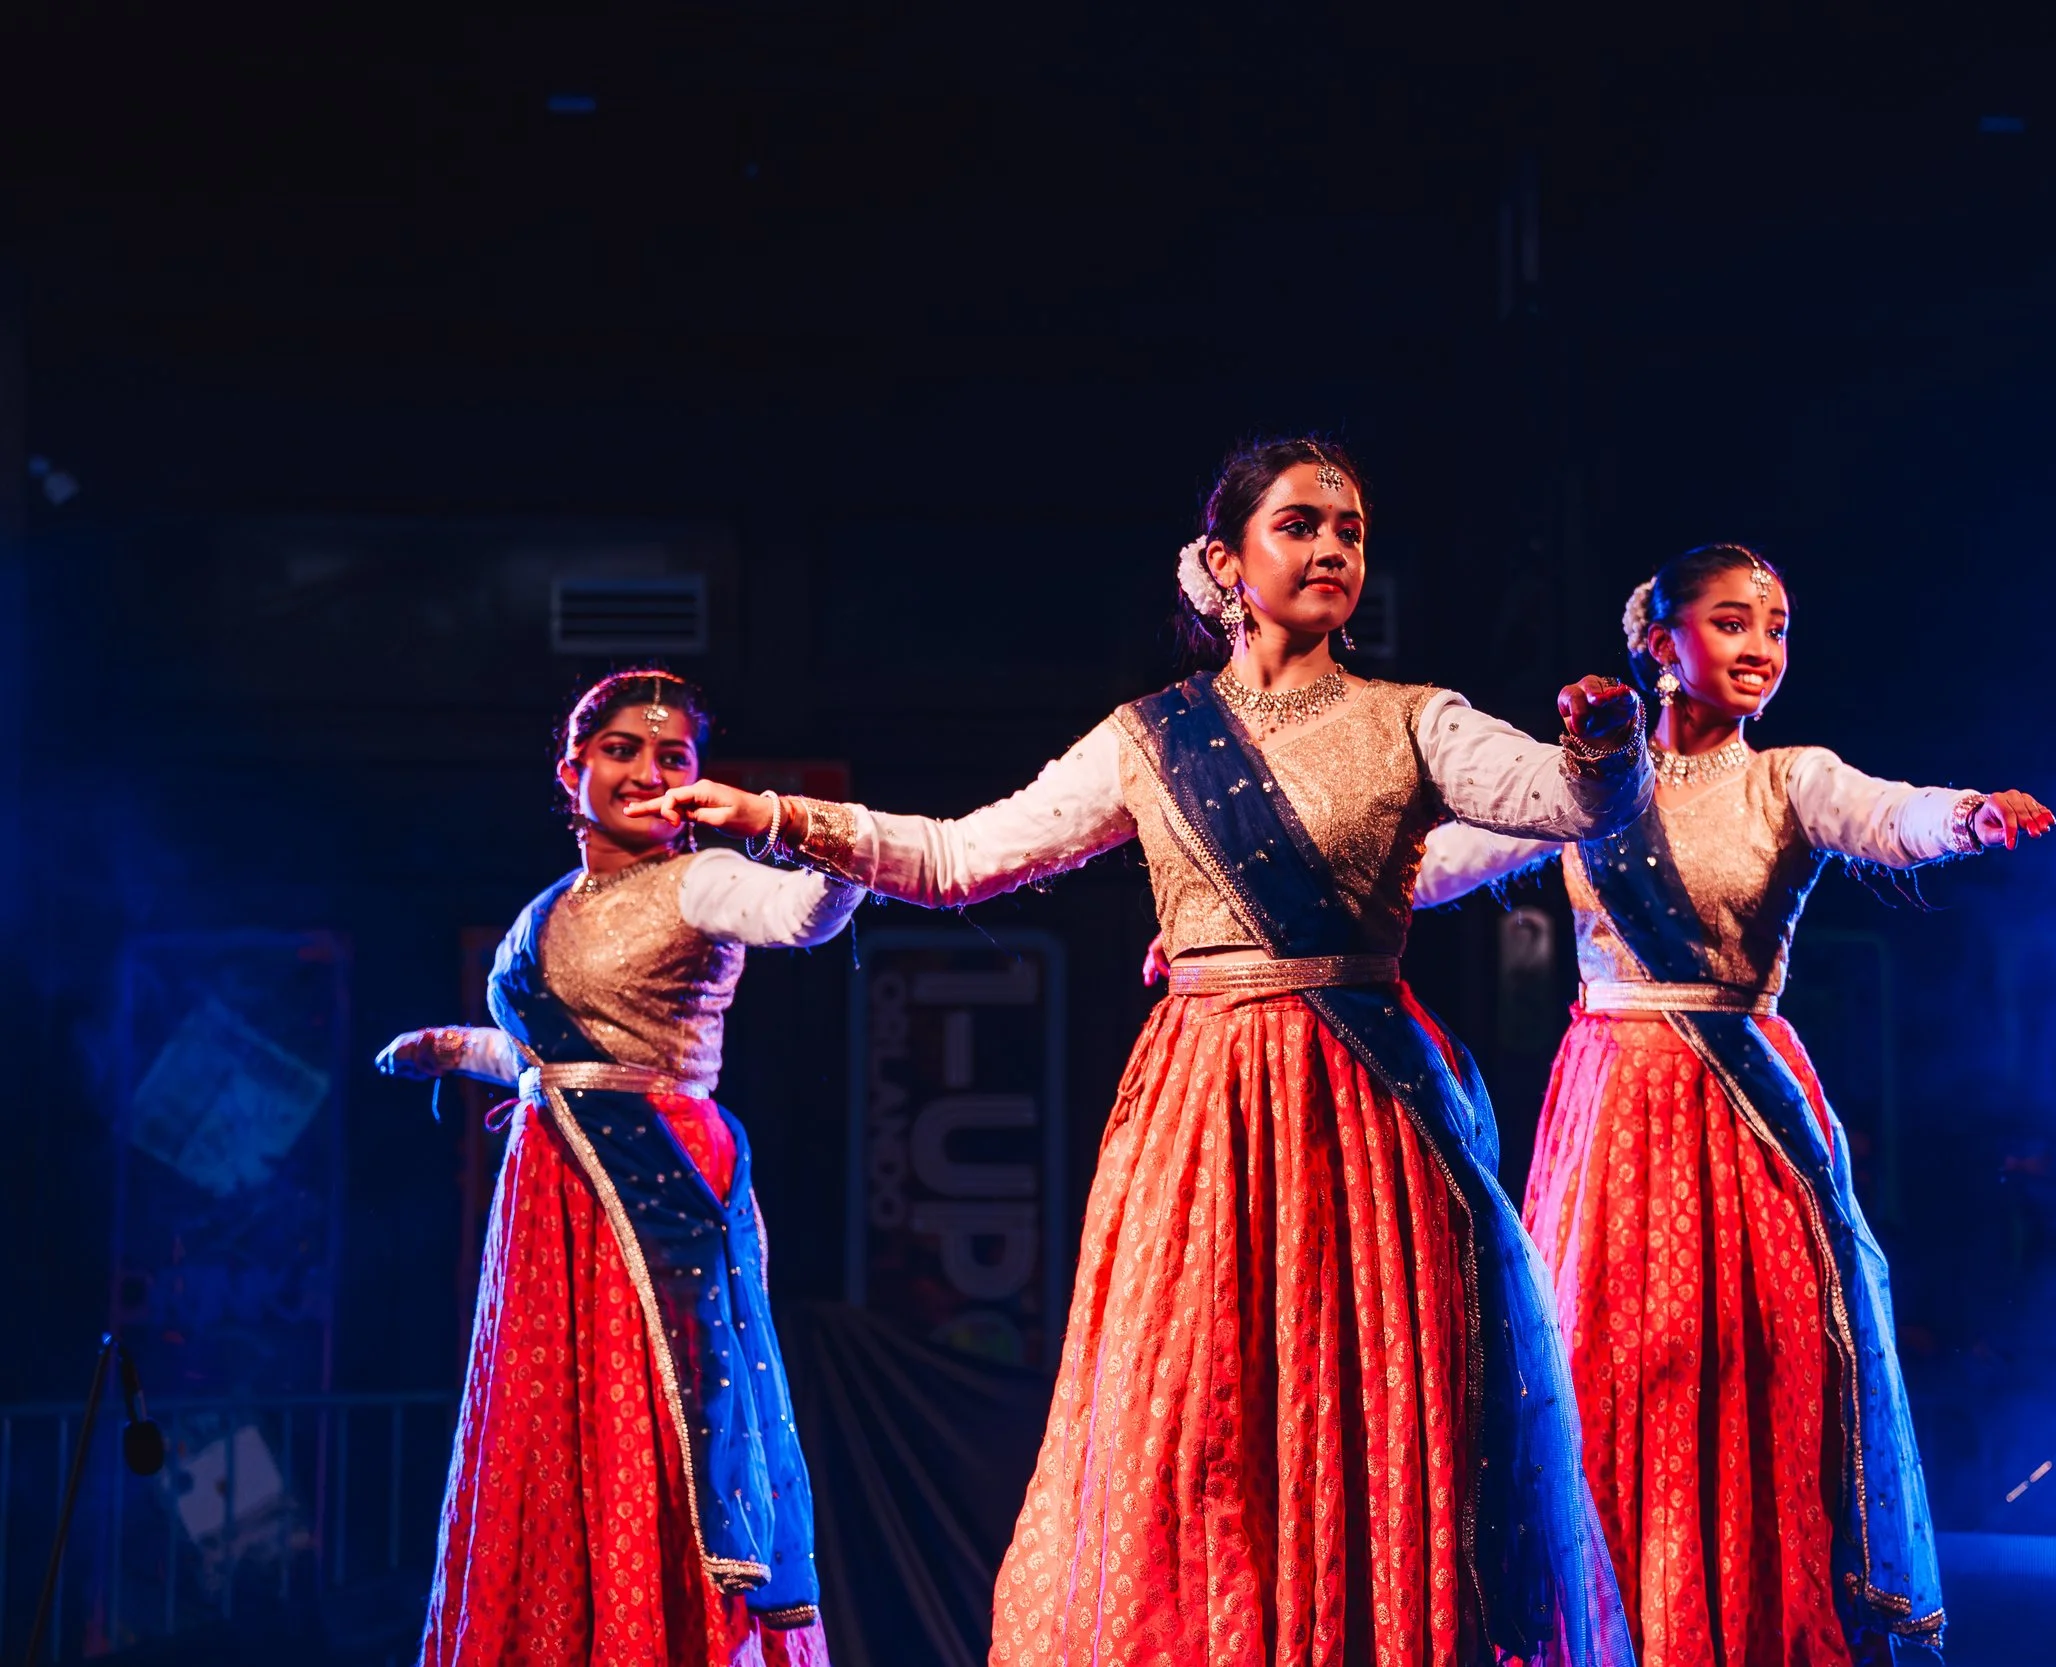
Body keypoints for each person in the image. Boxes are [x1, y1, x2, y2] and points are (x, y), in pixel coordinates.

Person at [631, 436, 1646, 1667]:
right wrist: (783, 817)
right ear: (1225, 560)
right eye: (1300, 524)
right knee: (1193, 1429)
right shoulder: (1148, 740)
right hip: (1203, 1116)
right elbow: (960, 859)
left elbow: (1573, 804)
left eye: (1352, 530)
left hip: (1369, 1124)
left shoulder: (1412, 719)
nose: (1332, 547)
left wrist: (1602, 746)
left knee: (1377, 1419)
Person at [1410, 545, 2054, 1666]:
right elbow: (1425, 867)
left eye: (1777, 624)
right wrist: (1245, 926)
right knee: (1611, 1367)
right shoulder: (1586, 778)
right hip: (1610, 1103)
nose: (1761, 646)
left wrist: (1965, 815)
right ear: (1658, 643)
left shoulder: (1789, 776)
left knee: (1747, 1372)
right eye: (1729, 621)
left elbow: (1884, 812)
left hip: (1744, 1113)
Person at [376, 669, 862, 1667]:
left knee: (664, 1418)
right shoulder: (545, 909)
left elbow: (811, 913)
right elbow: (554, 1062)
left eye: (673, 756)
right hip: (551, 1191)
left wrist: (799, 824)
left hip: (658, 1190)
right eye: (622, 750)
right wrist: (457, 1048)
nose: (647, 771)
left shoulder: (703, 879)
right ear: (574, 769)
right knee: (555, 1433)